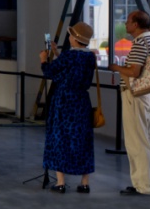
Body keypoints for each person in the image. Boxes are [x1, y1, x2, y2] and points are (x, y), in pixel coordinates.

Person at [39, 21, 97, 193]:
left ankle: (60, 182)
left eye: (71, 35)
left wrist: (43, 60)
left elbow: (50, 71)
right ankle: (85, 182)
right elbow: (71, 69)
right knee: (83, 139)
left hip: (64, 101)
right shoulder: (90, 57)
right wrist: (57, 53)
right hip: (82, 100)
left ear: (75, 38)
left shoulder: (68, 56)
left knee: (60, 137)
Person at [112, 10, 150, 196]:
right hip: (147, 94)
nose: (125, 24)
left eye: (128, 21)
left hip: (135, 95)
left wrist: (115, 67)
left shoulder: (139, 43)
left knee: (136, 141)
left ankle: (143, 186)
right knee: (147, 140)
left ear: (135, 25)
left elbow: (134, 72)